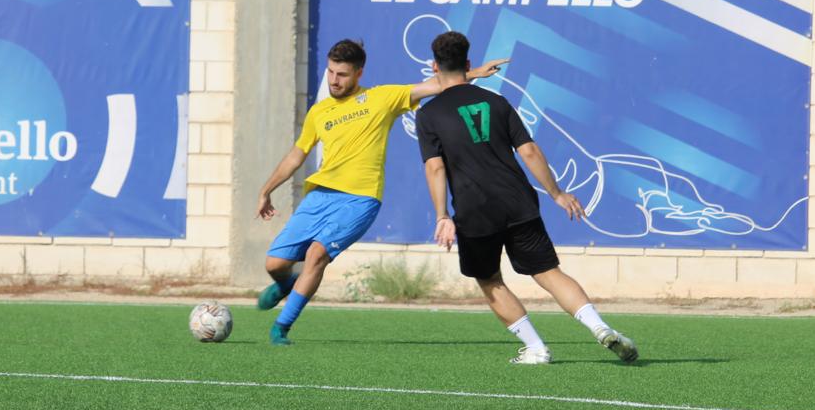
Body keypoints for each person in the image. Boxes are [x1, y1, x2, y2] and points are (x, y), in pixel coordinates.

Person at [255, 37, 505, 345]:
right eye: (331, 73)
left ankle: (281, 328)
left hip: (360, 199)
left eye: (342, 74)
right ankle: (286, 284)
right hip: (320, 196)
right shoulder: (319, 113)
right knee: (274, 264)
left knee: (316, 255)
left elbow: (435, 85)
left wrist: (474, 72)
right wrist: (267, 189)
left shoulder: (381, 98)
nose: (334, 80)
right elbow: (297, 155)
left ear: (359, 73)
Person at [416, 30, 638, 366]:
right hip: (517, 200)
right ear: (469, 64)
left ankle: (536, 348)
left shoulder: (430, 113)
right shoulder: (496, 101)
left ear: (434, 67)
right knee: (548, 272)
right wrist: (557, 193)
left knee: (490, 281)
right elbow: (530, 151)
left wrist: (442, 215)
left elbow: (435, 169)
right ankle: (601, 328)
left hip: (475, 212)